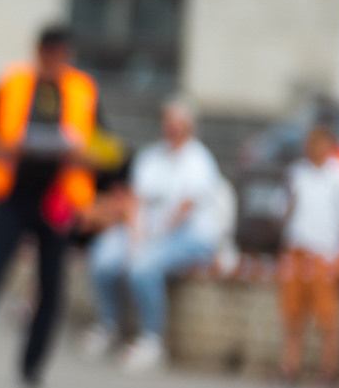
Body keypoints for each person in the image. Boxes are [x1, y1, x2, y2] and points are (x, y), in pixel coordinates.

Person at [0, 25, 100, 388]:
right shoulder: (14, 85)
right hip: (14, 195)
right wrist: (10, 147)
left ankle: (33, 367)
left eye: (63, 54)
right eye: (51, 53)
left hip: (57, 198)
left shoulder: (82, 91)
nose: (56, 61)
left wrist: (80, 154)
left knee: (51, 284)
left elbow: (104, 148)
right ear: (40, 52)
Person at [86, 97, 232, 373]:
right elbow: (135, 201)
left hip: (189, 236)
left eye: (177, 123)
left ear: (189, 126)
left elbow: (184, 210)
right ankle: (109, 324)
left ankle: (152, 338)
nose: (171, 128)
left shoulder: (198, 160)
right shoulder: (151, 157)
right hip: (149, 233)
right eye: (168, 122)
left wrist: (150, 241)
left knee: (143, 268)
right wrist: (136, 235)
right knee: (104, 256)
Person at [277, 123, 339, 386]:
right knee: (292, 315)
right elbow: (280, 211)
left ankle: (329, 371)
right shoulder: (296, 174)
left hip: (325, 255)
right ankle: (290, 367)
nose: (314, 148)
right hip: (297, 252)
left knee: (327, 318)